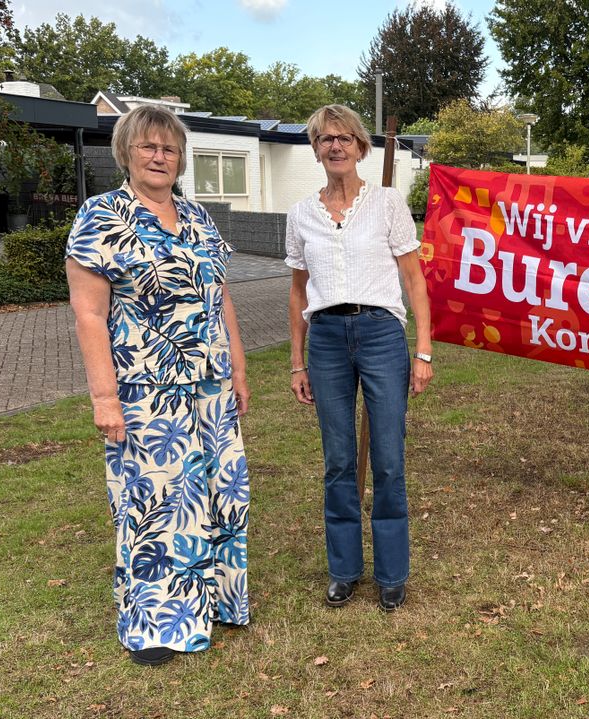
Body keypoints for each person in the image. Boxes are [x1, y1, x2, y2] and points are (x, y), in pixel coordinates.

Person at [65, 104, 252, 666]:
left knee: (220, 494)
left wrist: (239, 370)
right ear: (126, 152)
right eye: (148, 146)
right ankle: (158, 627)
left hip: (212, 386)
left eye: (169, 148)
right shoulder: (101, 217)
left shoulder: (199, 218)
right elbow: (89, 315)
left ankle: (218, 603)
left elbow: (222, 302)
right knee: (161, 503)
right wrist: (104, 398)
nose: (159, 156)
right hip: (146, 390)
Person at [285, 104, 433, 612]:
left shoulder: (388, 204)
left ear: (360, 146)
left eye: (345, 137)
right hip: (325, 337)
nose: (336, 146)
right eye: (326, 139)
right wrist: (297, 361)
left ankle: (392, 573)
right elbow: (297, 290)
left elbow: (414, 279)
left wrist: (424, 350)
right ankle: (344, 569)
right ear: (316, 149)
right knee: (339, 459)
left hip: (380, 334)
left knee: (389, 458)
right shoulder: (301, 213)